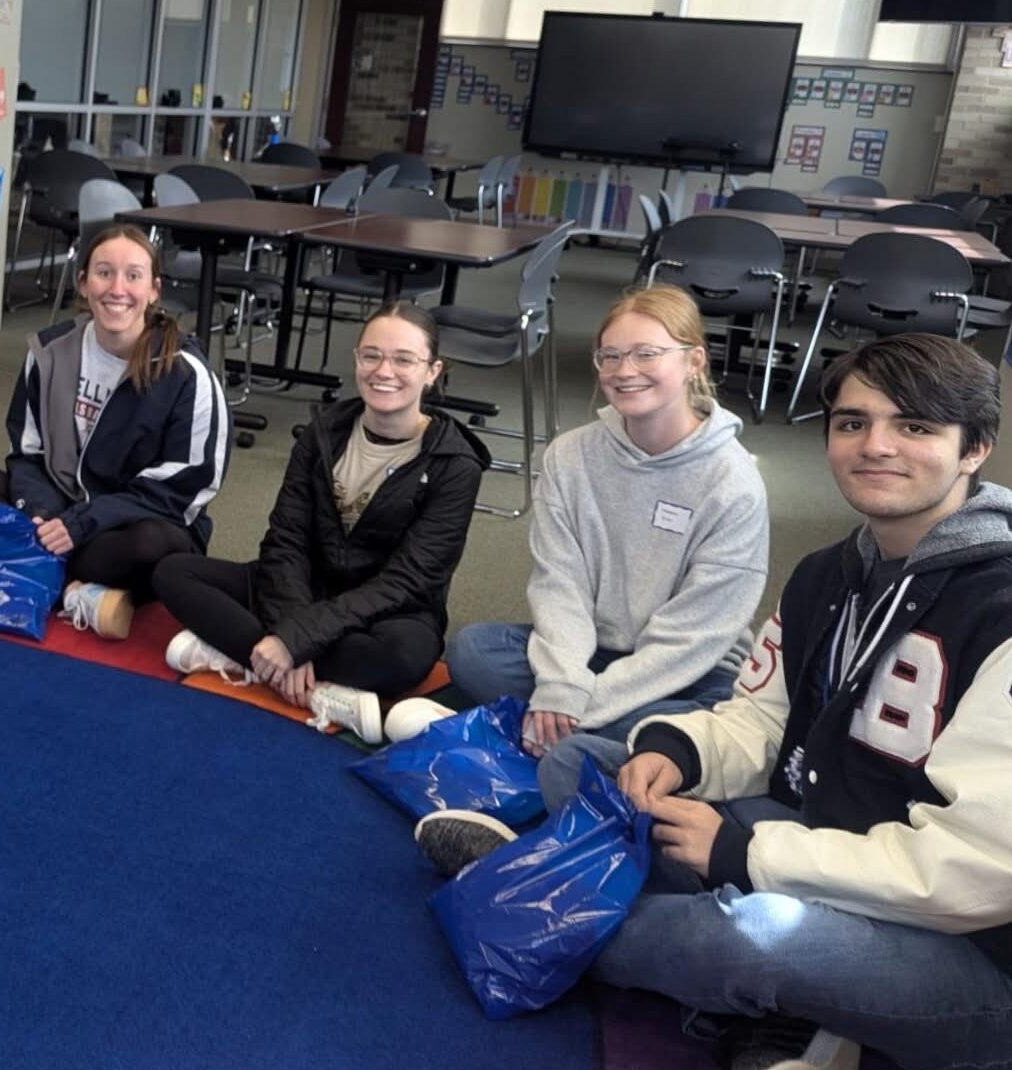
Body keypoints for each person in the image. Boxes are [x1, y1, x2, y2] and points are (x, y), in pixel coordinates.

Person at [425, 335, 1012, 1070]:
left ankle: (532, 895)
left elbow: (978, 870)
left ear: (974, 449)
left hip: (967, 946)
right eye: (853, 422)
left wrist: (744, 855)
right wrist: (679, 751)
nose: (876, 446)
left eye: (915, 426)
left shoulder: (1000, 609)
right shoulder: (827, 574)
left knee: (751, 934)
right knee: (589, 764)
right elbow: (765, 718)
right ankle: (784, 1012)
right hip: (827, 832)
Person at [437, 284, 769, 759]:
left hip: (692, 669)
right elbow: (560, 584)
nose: (624, 371)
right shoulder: (570, 456)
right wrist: (562, 683)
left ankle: (565, 732)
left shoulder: (733, 482)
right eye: (610, 356)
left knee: (708, 717)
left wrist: (579, 706)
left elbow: (697, 635)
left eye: (646, 354)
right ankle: (594, 743)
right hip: (590, 649)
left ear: (694, 361)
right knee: (472, 652)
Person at [152, 302, 489, 742]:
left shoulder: (455, 463)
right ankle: (309, 680)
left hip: (389, 611)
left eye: (404, 359)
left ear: (432, 371)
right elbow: (285, 540)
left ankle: (241, 654)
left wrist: (296, 639)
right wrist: (294, 632)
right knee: (174, 571)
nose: (384, 371)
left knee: (403, 658)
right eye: (372, 356)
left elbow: (407, 581)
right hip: (309, 587)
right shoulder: (324, 430)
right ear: (356, 360)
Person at [0, 223, 230, 639]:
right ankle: (76, 589)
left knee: (151, 547)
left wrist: (83, 523)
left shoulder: (187, 373)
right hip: (60, 505)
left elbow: (186, 485)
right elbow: (28, 452)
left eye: (133, 275)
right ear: (84, 283)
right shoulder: (50, 351)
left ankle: (14, 562)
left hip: (134, 522)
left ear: (154, 289)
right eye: (104, 273)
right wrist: (43, 513)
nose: (117, 289)